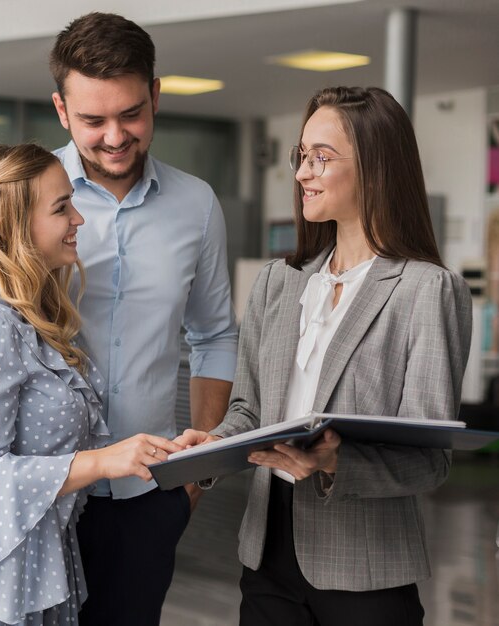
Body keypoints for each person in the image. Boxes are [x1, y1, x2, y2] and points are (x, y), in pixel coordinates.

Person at [0, 12, 238, 626]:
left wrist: (195, 478)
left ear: (156, 96)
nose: (114, 135)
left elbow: (213, 337)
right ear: (60, 107)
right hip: (28, 508)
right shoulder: (20, 192)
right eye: (92, 119)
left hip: (146, 497)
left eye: (130, 113)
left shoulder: (198, 206)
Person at [176, 86, 473, 626]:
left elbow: (431, 459)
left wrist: (334, 462)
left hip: (367, 570)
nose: (302, 173)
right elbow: (250, 410)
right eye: (301, 156)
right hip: (266, 558)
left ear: (376, 168)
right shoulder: (278, 283)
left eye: (322, 157)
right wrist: (210, 444)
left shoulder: (427, 291)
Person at [0, 143, 183, 625]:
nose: (78, 219)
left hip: (24, 563)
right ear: (9, 227)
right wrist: (103, 461)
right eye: (62, 207)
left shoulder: (31, 318)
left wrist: (165, 453)